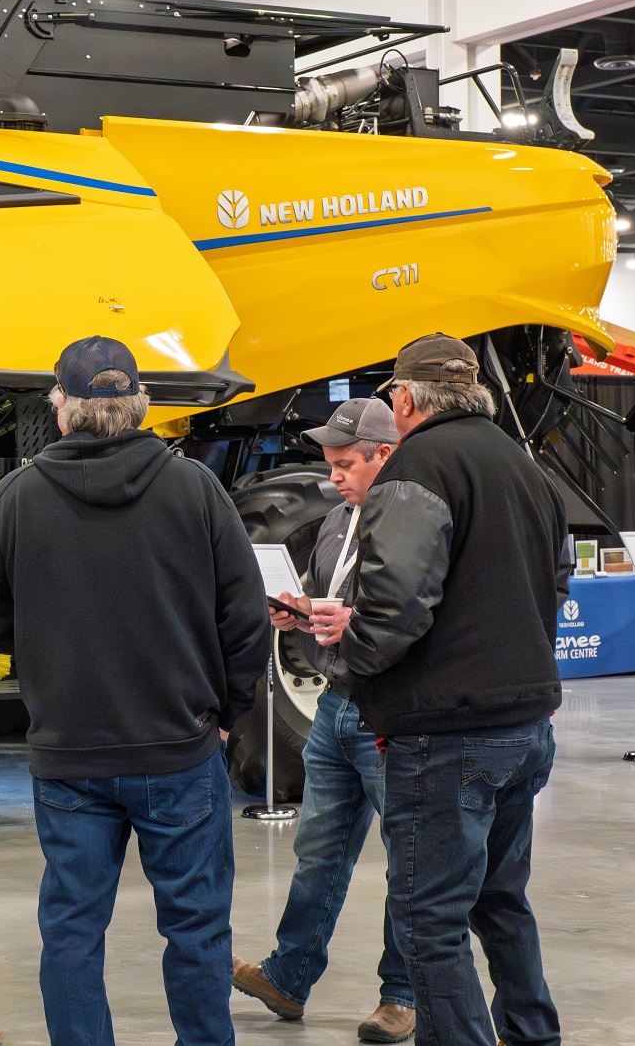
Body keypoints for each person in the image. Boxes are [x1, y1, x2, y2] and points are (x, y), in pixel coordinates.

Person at [0, 336, 269, 1046]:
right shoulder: (195, 489)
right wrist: (228, 713)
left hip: (70, 752)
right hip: (180, 748)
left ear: (60, 408)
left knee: (71, 930)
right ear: (142, 406)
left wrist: (41, 642)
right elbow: (247, 618)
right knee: (196, 928)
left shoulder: (17, 496)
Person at [317, 333, 565, 1046]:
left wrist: (350, 658)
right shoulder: (523, 464)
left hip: (448, 733)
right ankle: (533, 1034)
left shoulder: (418, 465)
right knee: (501, 900)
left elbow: (396, 607)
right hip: (525, 723)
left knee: (428, 921)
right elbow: (554, 582)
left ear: (403, 398)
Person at [231, 397, 416, 1044]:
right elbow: (328, 596)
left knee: (408, 860)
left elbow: (421, 615)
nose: (333, 477)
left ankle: (402, 995)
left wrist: (353, 621)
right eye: (330, 464)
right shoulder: (338, 520)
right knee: (318, 852)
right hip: (337, 706)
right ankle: (289, 976)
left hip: (391, 710)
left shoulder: (413, 521)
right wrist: (300, 610)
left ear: (384, 455)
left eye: (345, 465)